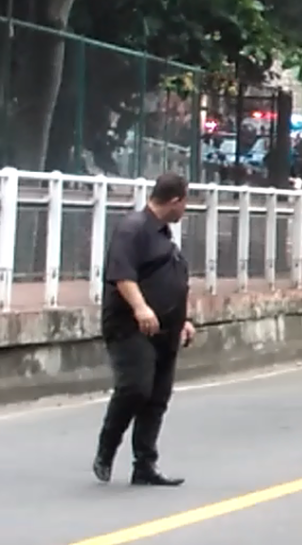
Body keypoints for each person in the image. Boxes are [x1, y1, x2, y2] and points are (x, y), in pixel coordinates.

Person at [92, 172, 196, 486]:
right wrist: (140, 307)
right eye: (185, 203)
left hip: (167, 327)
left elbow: (171, 281)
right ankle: (107, 448)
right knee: (135, 387)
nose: (185, 210)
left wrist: (184, 320)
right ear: (175, 200)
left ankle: (145, 464)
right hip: (130, 325)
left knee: (157, 397)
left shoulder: (164, 235)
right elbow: (122, 274)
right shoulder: (133, 228)